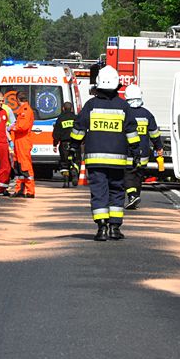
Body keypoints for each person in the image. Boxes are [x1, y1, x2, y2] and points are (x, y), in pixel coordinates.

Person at [70, 66, 140, 241]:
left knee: (99, 192)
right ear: (117, 85)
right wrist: (136, 151)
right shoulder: (124, 106)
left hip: (95, 160)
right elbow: (132, 132)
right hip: (117, 160)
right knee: (116, 191)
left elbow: (78, 128)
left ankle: (101, 228)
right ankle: (115, 228)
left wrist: (73, 146)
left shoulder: (91, 105)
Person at [123, 85, 163, 209]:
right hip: (144, 152)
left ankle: (132, 196)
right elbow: (154, 134)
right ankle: (135, 196)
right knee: (138, 175)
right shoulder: (147, 114)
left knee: (128, 174)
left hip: (128, 150)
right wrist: (159, 147)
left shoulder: (124, 112)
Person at [11, 91, 35, 198]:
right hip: (19, 141)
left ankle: (30, 191)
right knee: (18, 166)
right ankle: (20, 189)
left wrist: (13, 127)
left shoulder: (25, 110)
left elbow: (22, 127)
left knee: (25, 166)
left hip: (23, 141)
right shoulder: (23, 110)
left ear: (17, 99)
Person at [52, 101, 76, 187]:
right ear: (72, 109)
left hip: (64, 144)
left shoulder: (60, 119)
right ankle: (74, 171)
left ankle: (66, 181)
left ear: (63, 108)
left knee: (64, 162)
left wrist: (55, 144)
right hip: (75, 143)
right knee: (75, 160)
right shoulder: (76, 118)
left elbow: (56, 134)